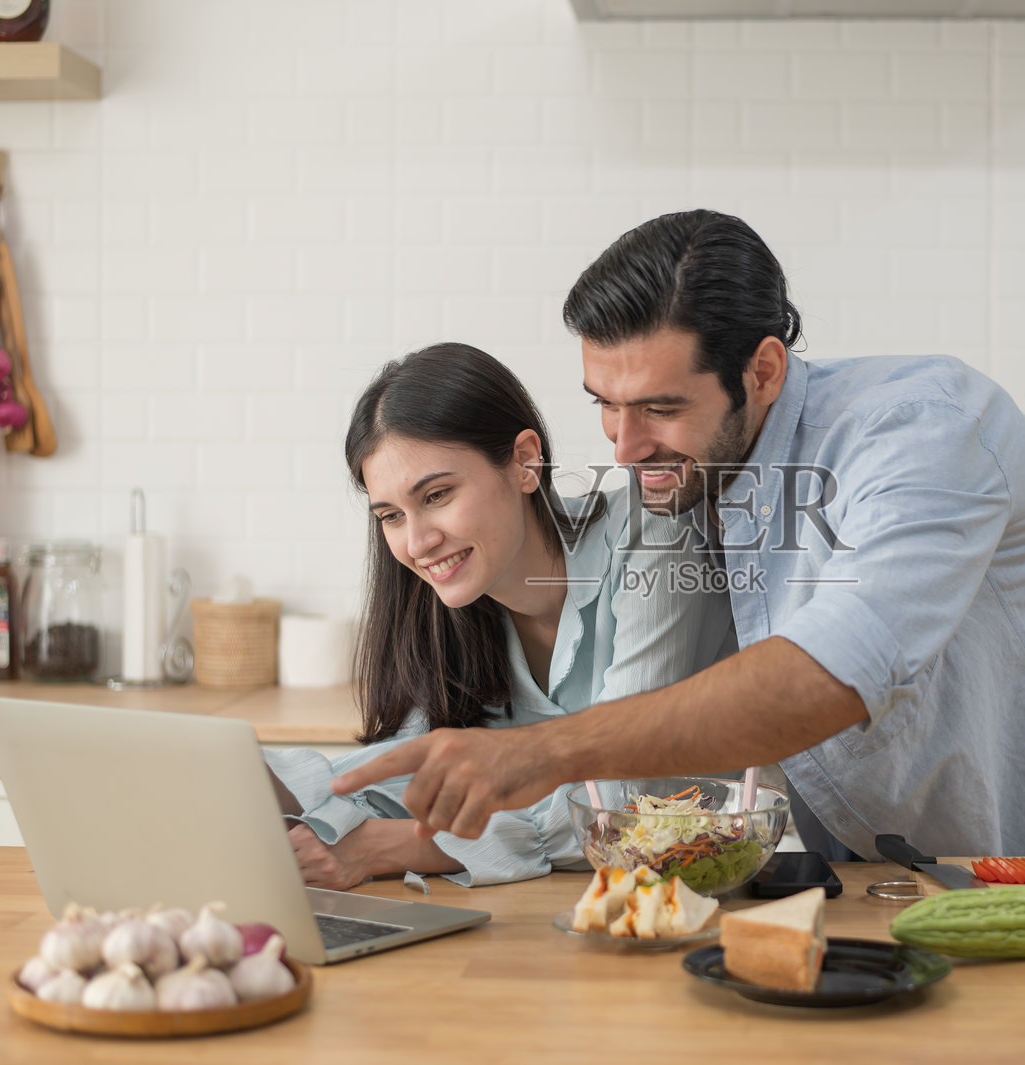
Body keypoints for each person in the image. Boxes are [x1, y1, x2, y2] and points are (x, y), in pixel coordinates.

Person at [335, 210, 1025, 861]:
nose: (623, 448)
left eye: (661, 408)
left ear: (764, 370)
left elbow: (828, 674)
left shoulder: (923, 434)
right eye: (605, 403)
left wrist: (542, 751)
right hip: (881, 845)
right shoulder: (697, 470)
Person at [265, 341, 732, 888]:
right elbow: (417, 773)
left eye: (437, 495)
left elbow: (620, 797)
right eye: (391, 515)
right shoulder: (453, 609)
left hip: (703, 890)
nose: (418, 543)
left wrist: (390, 848)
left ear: (525, 462)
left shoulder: (653, 532)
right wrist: (277, 788)